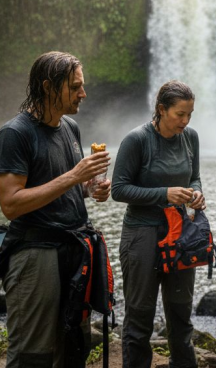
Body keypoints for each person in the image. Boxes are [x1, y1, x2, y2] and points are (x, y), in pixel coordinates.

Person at [0, 51, 111, 367]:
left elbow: (64, 188)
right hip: (35, 253)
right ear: (49, 87)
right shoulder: (16, 133)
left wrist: (90, 189)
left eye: (82, 86)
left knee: (73, 344)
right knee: (34, 353)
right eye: (75, 87)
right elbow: (10, 205)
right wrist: (76, 175)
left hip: (74, 250)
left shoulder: (70, 129)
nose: (83, 94)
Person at [111, 80, 205, 368]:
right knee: (140, 317)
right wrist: (163, 194)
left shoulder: (190, 137)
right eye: (180, 114)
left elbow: (194, 176)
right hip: (142, 234)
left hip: (180, 235)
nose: (185, 120)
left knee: (180, 315)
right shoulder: (136, 140)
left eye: (190, 114)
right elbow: (119, 189)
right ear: (161, 110)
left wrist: (197, 192)